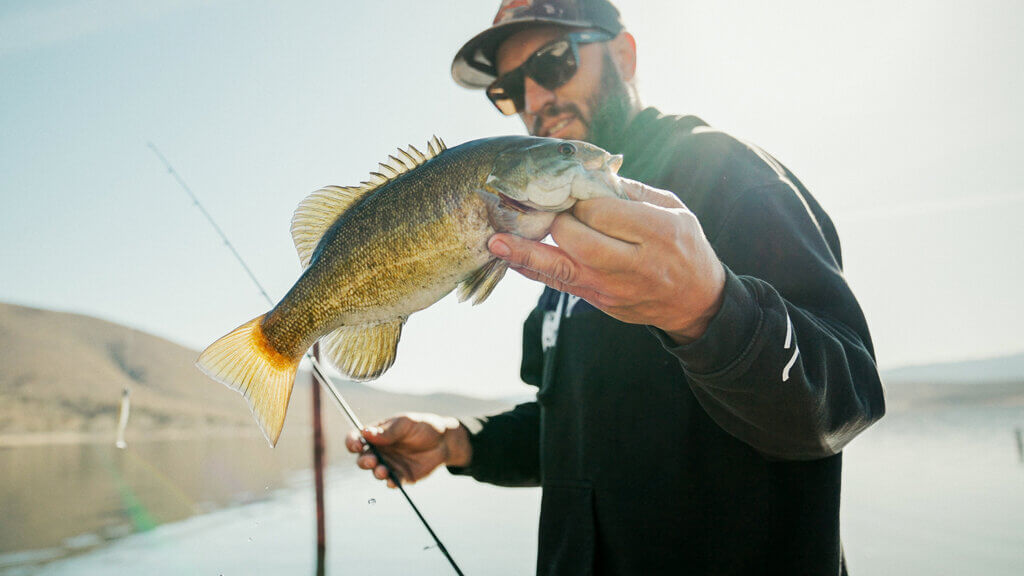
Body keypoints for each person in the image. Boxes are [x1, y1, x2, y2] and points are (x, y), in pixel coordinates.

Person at [346, 1, 885, 574]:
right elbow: (571, 431)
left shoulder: (726, 173)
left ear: (623, 54)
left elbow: (846, 399)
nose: (533, 101)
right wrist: (459, 441)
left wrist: (709, 310)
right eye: (507, 89)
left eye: (553, 63)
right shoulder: (558, 221)